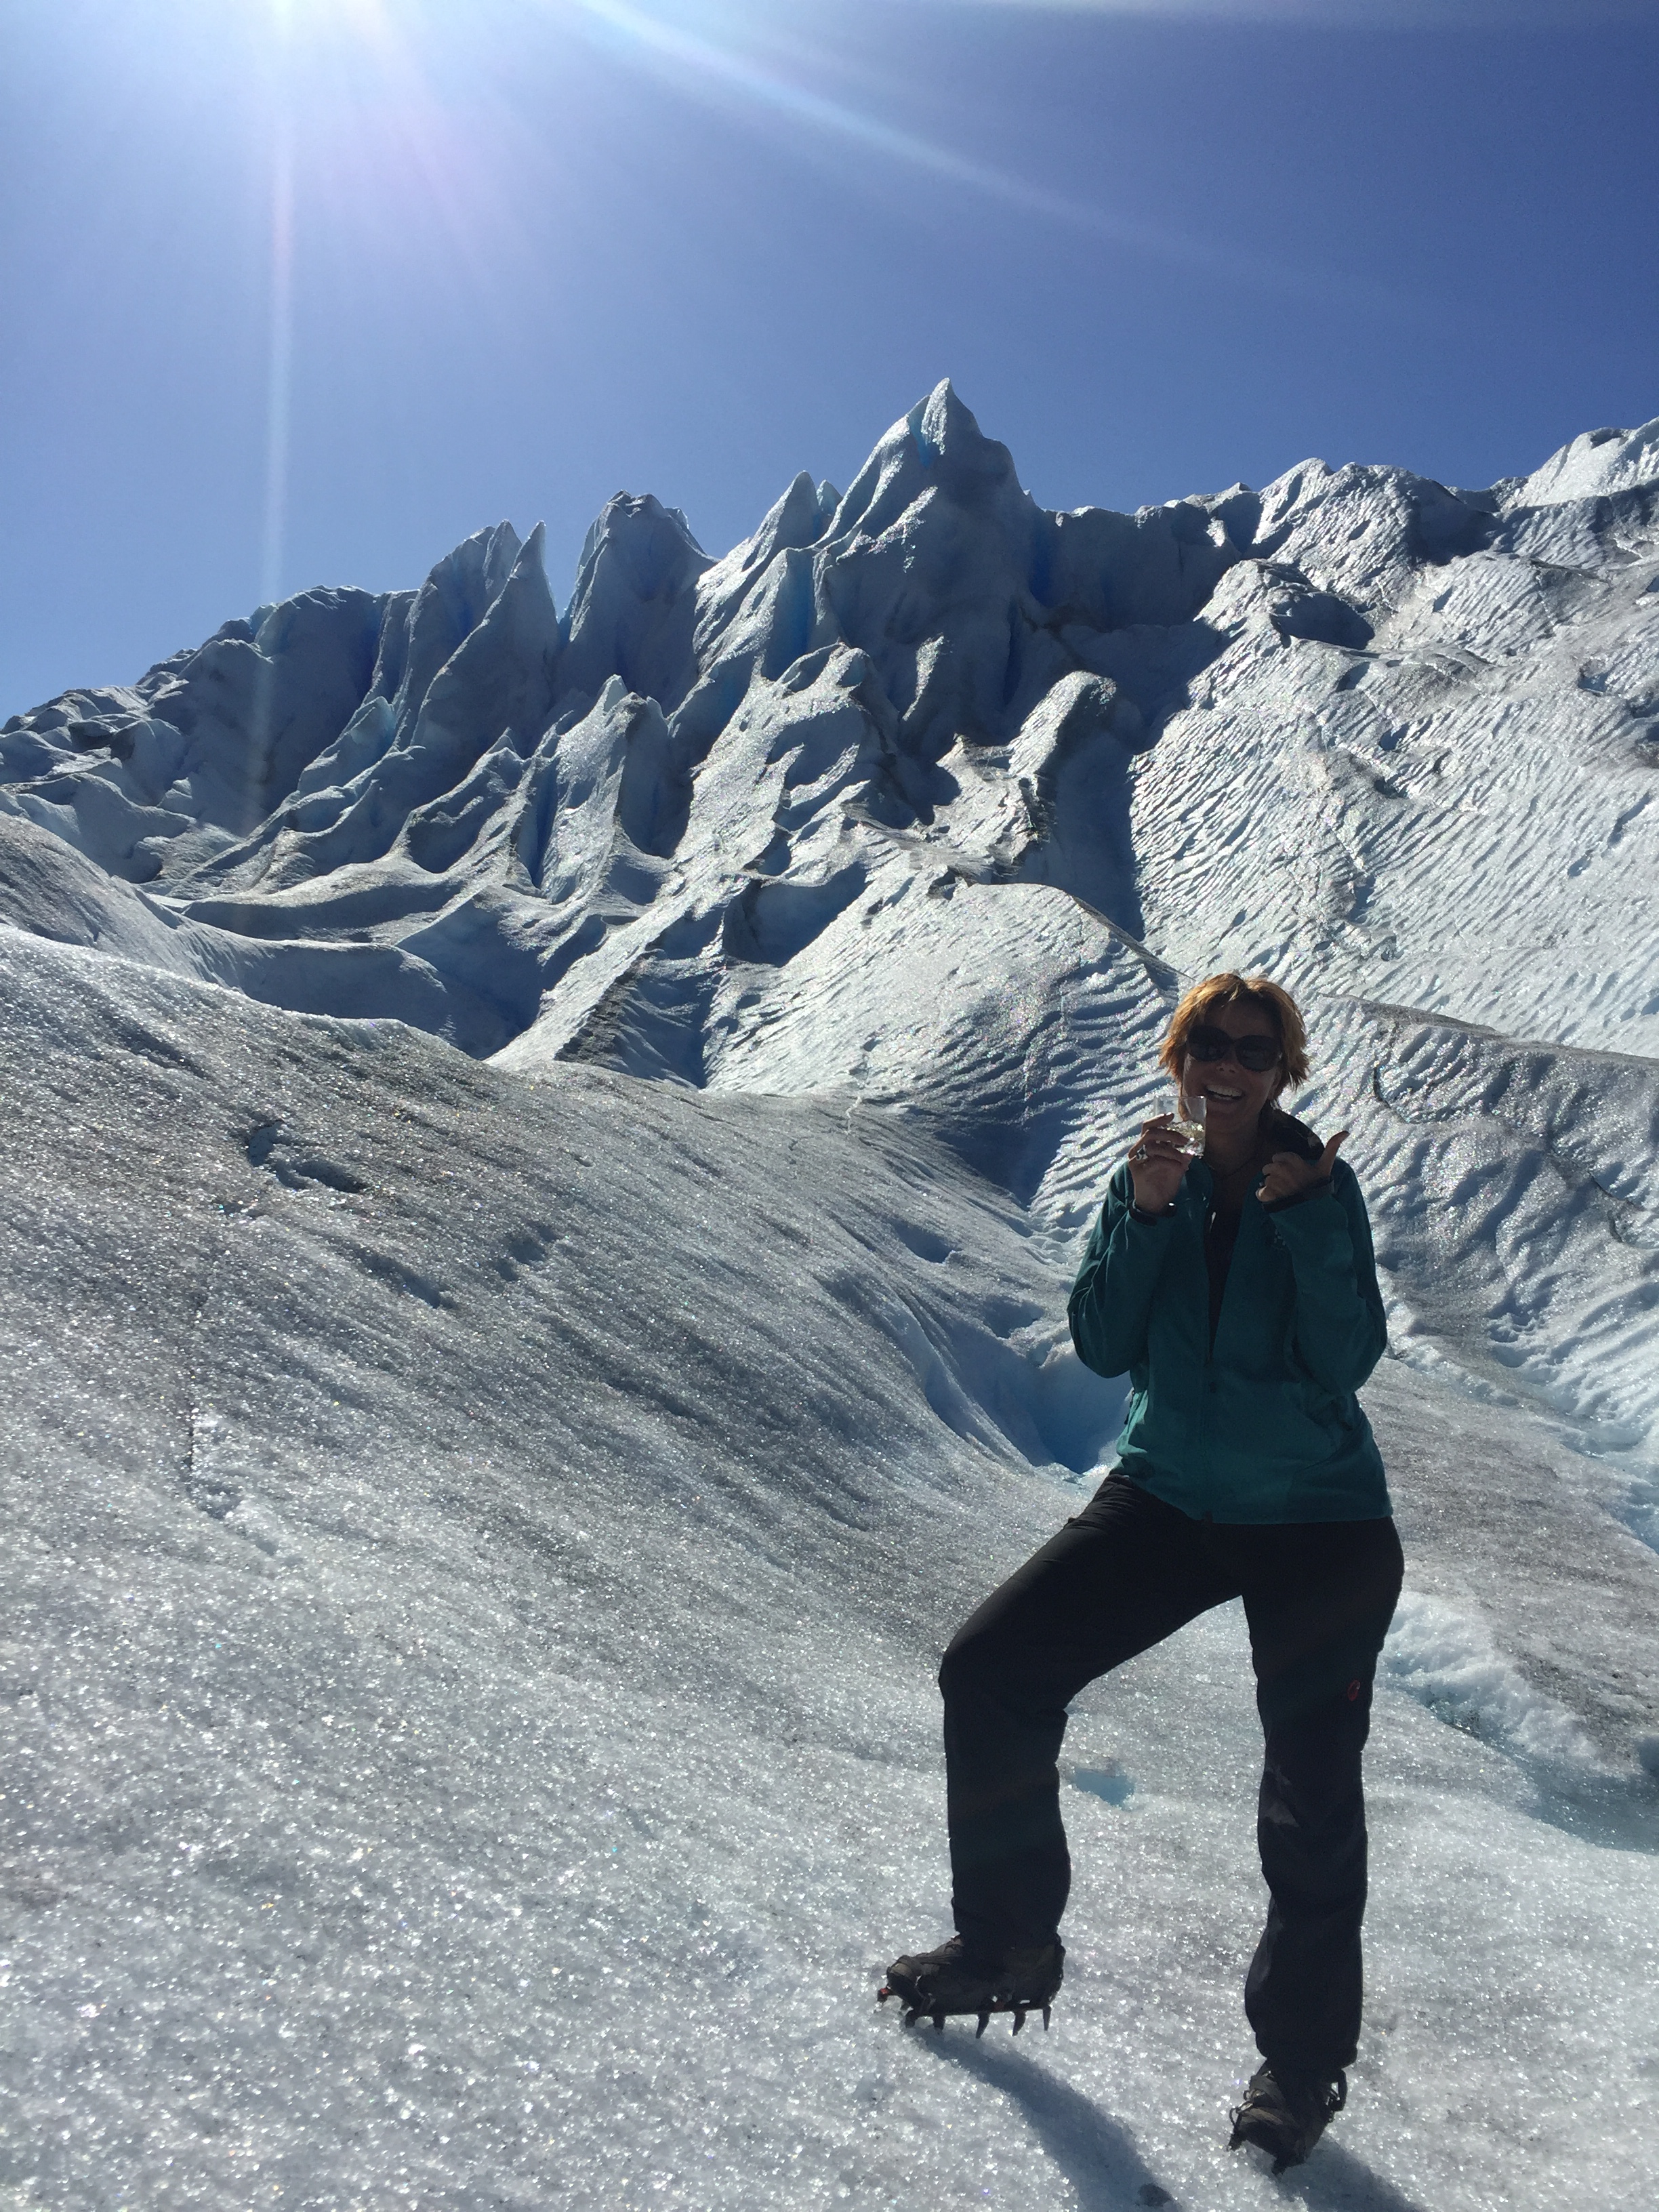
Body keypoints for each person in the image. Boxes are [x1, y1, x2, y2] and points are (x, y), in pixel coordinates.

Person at [880, 972, 1403, 2175]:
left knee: (1311, 1797)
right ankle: (1009, 1946)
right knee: (992, 1670)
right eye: (1209, 1042)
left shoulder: (1319, 1186)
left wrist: (1309, 1220)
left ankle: (1300, 2066)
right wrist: (1147, 1214)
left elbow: (1346, 1363)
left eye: (1255, 1050)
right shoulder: (1151, 1176)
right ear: (1180, 1056)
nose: (1228, 1065)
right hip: (1170, 1496)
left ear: (1284, 1069)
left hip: (1319, 1522)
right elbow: (1106, 1342)